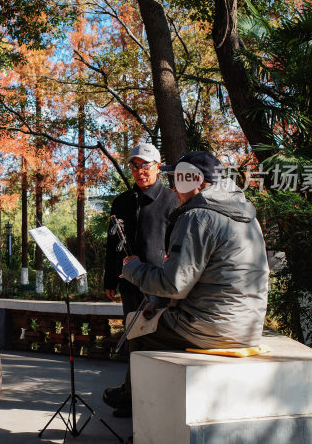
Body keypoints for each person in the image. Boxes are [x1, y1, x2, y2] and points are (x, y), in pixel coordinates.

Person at [102, 150, 270, 417]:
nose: (173, 188)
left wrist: (132, 268)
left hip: (212, 327)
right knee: (154, 317)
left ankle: (141, 414)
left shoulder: (198, 217)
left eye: (177, 180)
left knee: (137, 328)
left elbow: (174, 286)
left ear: (195, 181)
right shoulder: (245, 216)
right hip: (248, 325)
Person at [103, 143, 178, 416]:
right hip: (130, 284)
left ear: (158, 166)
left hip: (161, 285)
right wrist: (110, 278)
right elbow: (112, 244)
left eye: (145, 165)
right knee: (134, 340)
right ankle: (133, 398)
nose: (139, 171)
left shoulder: (172, 200)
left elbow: (176, 245)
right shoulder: (121, 201)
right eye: (134, 166)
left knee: (155, 343)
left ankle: (149, 404)